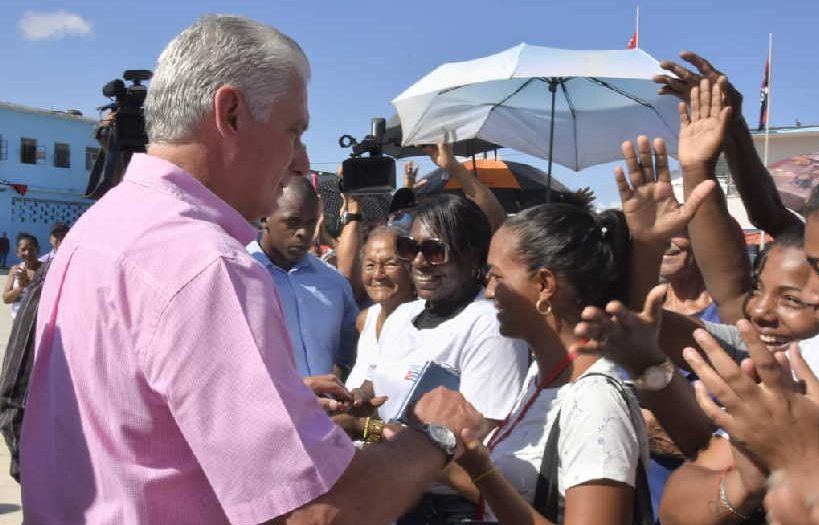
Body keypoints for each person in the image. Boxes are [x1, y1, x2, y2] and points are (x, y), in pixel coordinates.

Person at [20, 15, 485, 525]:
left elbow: (127, 423)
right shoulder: (208, 264)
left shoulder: (99, 228)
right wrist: (431, 436)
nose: (303, 160)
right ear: (232, 113)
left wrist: (273, 404)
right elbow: (318, 514)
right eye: (295, 131)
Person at [441, 199, 658, 525]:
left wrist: (479, 471)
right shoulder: (542, 375)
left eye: (496, 276)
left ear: (544, 285)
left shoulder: (595, 401)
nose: (488, 291)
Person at [356, 193, 529, 523]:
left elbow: (479, 447)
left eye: (435, 251)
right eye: (410, 249)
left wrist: (374, 431)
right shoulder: (401, 316)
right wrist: (357, 410)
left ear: (473, 256)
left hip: (449, 510)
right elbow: (375, 406)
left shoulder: (489, 323)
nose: (419, 262)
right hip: (391, 492)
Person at [248, 176, 359, 379]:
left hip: (327, 410)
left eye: (311, 223)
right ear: (265, 217)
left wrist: (341, 372)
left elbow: (351, 342)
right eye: (293, 222)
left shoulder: (334, 282)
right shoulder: (238, 277)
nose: (305, 233)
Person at [345, 225, 415, 390]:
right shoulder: (365, 320)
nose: (378, 275)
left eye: (390, 264)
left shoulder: (423, 322)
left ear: (411, 268)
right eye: (370, 265)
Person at [2, 233, 41, 319]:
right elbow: (6, 299)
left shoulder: (46, 269)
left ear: (37, 250)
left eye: (31, 249)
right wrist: (20, 288)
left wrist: (30, 284)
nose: (27, 253)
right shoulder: (15, 270)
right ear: (17, 252)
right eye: (23, 249)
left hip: (40, 321)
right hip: (19, 322)